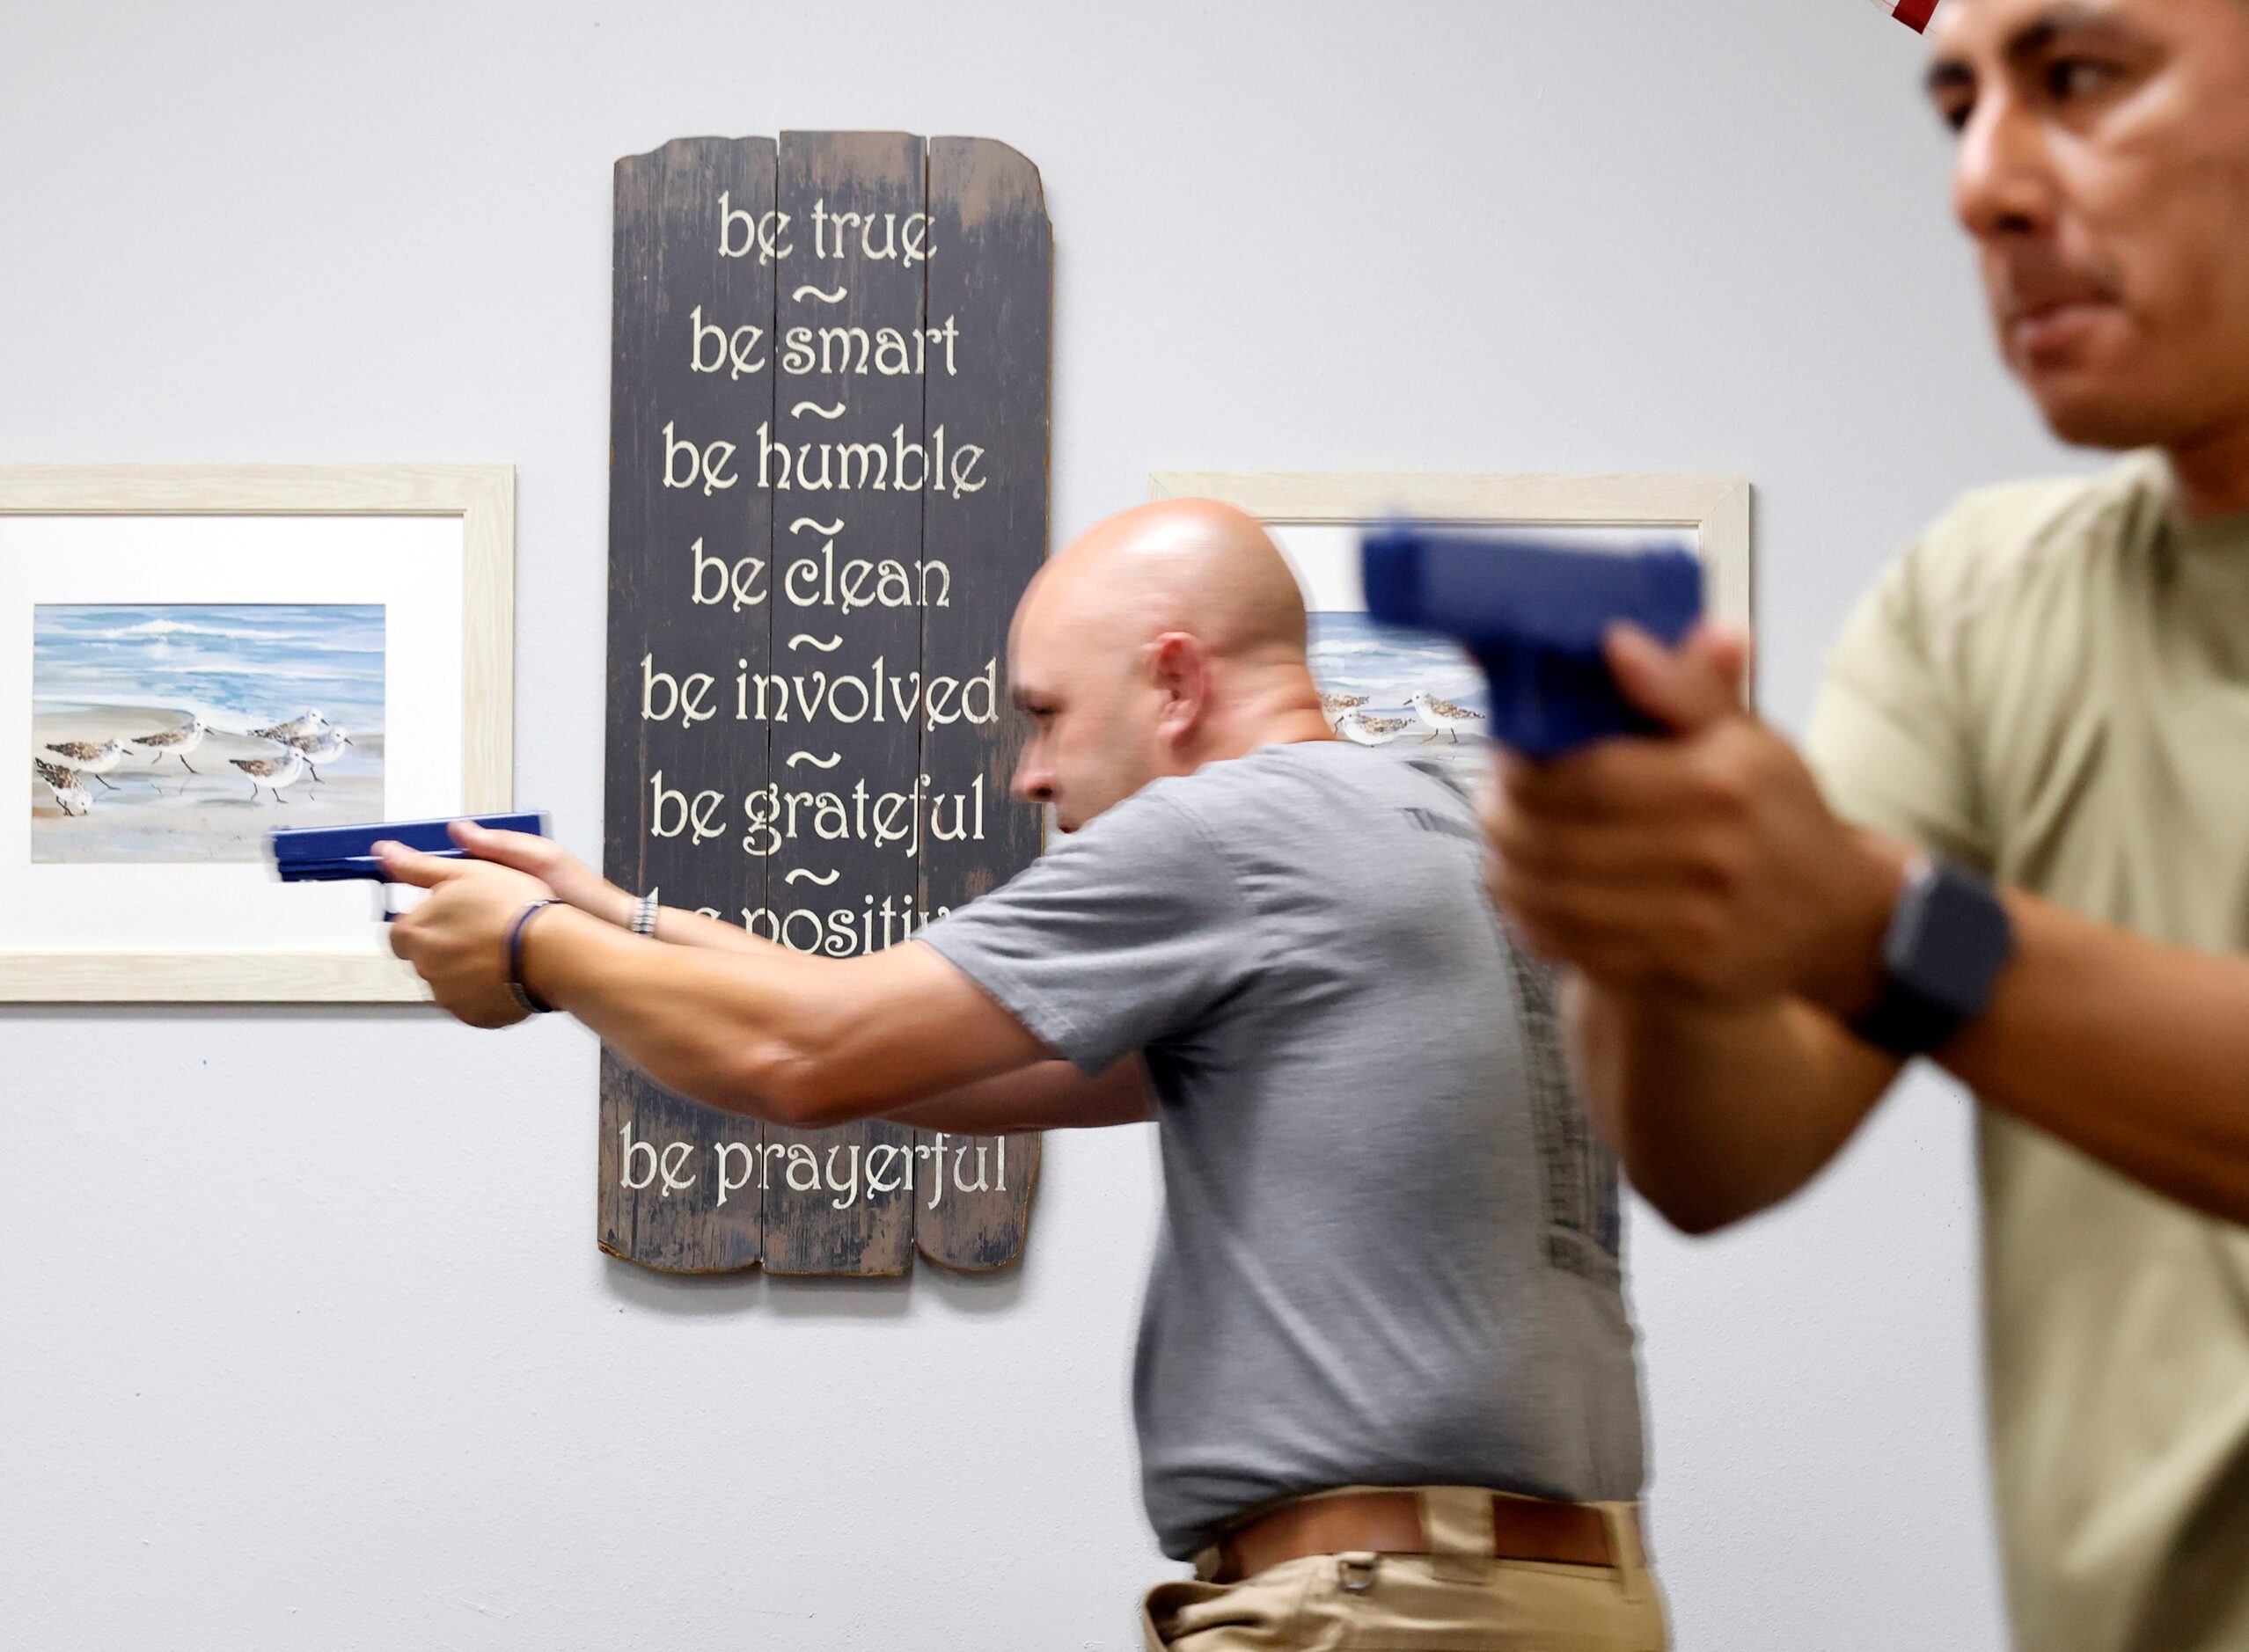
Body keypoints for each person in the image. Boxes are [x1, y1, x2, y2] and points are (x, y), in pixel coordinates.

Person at [385, 499, 1669, 1650]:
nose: (1031, 774)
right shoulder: (1438, 832)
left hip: (1384, 1609)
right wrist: (620, 920)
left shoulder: (1231, 829)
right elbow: (929, 1063)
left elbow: (807, 1058)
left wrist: (528, 949)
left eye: (1045, 712)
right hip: (1557, 1598)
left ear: (1173, 682)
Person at [1483, 2, 2249, 1648]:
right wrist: (1652, 914)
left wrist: (1878, 925)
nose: (1983, 184)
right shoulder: (1979, 602)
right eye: (1960, 104)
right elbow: (1730, 1151)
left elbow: (1867, 933)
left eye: (2082, 79)